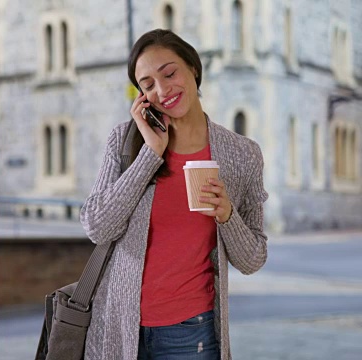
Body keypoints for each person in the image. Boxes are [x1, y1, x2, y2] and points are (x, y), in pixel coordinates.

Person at [79, 29, 268, 360]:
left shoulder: (242, 155)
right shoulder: (124, 142)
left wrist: (227, 216)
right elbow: (97, 227)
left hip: (191, 331)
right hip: (119, 326)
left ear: (193, 68)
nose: (163, 90)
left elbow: (252, 260)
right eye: (148, 84)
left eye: (169, 73)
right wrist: (150, 154)